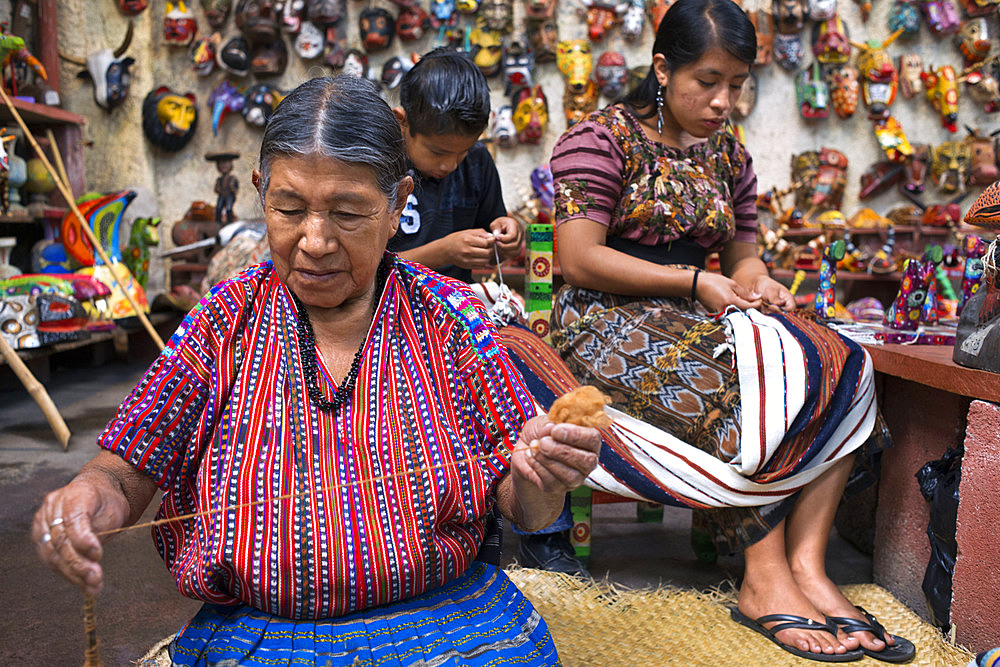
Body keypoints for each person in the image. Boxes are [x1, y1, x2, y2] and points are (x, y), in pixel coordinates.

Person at [31, 76, 601, 666]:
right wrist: (86, 499)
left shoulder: (451, 321)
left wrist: (544, 477)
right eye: (289, 208)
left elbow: (522, 505)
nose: (316, 241)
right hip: (261, 637)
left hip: (449, 627)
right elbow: (125, 473)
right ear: (261, 192)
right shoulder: (222, 324)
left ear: (398, 203)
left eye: (350, 213)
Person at [548, 0, 914, 663]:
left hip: (698, 311)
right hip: (599, 321)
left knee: (841, 362)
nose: (723, 100)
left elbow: (741, 255)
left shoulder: (729, 156)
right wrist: (695, 282)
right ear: (662, 68)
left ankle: (808, 566)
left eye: (737, 84)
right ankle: (763, 573)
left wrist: (759, 281)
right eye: (708, 80)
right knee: (732, 382)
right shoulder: (599, 140)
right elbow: (577, 256)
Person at [388, 47, 523, 285]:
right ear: (402, 122)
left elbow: (494, 252)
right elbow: (362, 269)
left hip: (456, 310)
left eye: (464, 151)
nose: (450, 165)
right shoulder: (378, 167)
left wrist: (507, 239)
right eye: (437, 152)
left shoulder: (477, 161)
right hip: (387, 310)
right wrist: (442, 253)